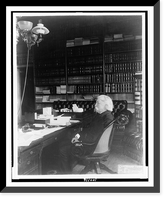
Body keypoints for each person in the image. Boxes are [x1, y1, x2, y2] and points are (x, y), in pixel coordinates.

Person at [57, 95, 114, 174]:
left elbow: (93, 137)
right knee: (66, 142)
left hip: (92, 147)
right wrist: (78, 136)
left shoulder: (102, 118)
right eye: (96, 103)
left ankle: (65, 175)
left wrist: (79, 139)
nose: (95, 105)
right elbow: (92, 132)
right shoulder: (107, 116)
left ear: (106, 106)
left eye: (98, 103)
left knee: (63, 148)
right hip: (100, 146)